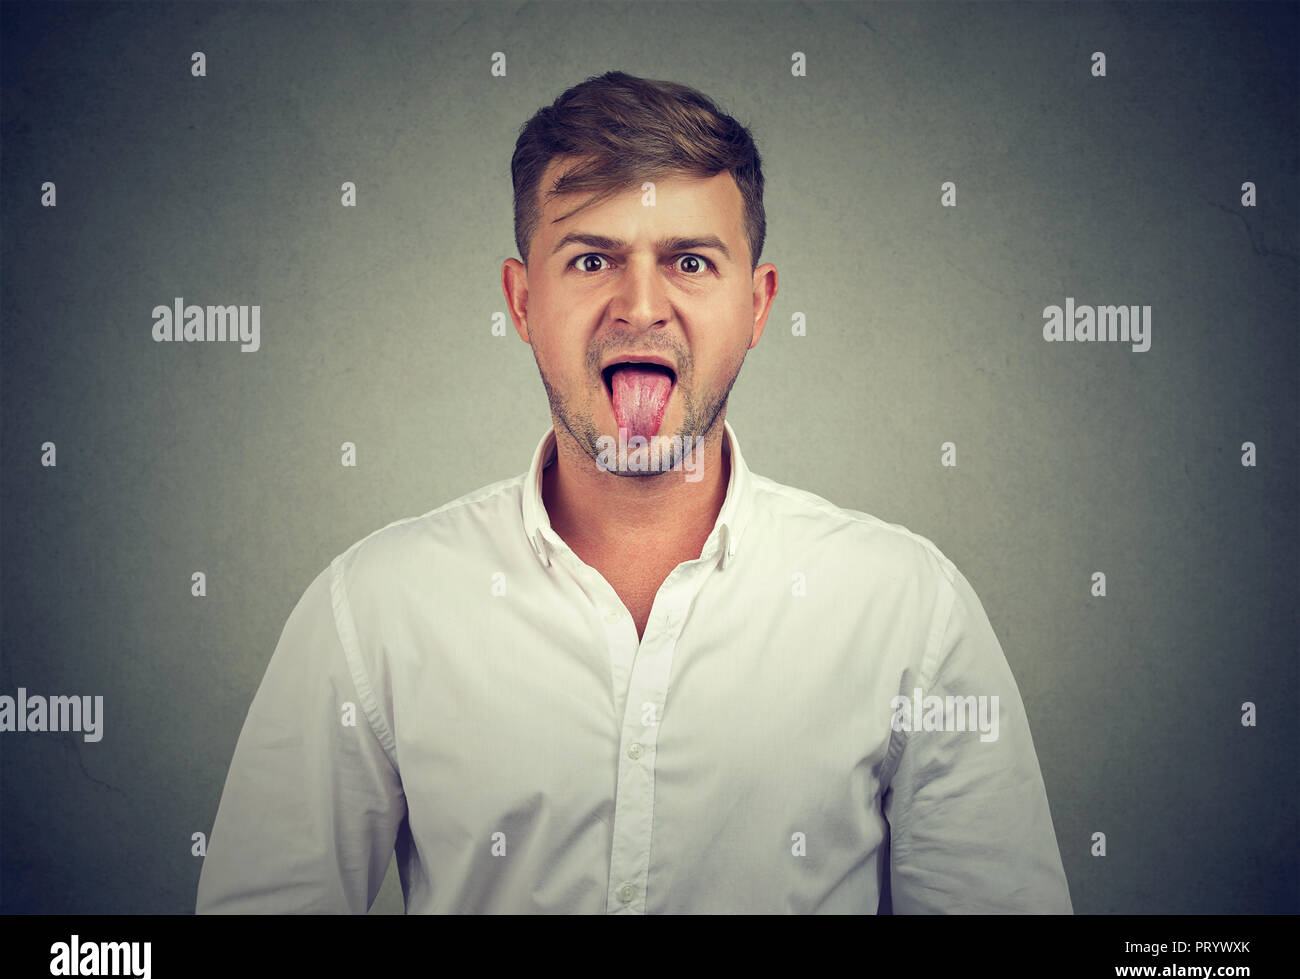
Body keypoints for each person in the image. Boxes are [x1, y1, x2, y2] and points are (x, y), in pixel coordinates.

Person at [196, 70, 1073, 914]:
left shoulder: (909, 610)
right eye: (589, 260)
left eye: (691, 261)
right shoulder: (372, 610)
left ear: (758, 305)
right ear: (522, 298)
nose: (641, 306)